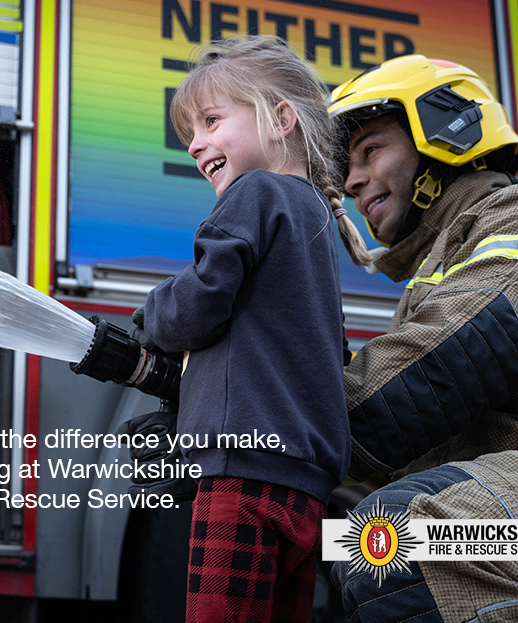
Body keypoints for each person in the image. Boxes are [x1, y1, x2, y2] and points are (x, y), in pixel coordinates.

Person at [328, 54, 518, 621]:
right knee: (338, 544)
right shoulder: (435, 275)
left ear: (445, 132)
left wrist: (270, 427)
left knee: (409, 543)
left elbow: (464, 352)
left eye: (370, 150)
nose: (352, 181)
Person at [134, 36, 371, 623]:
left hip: (242, 473)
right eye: (191, 131)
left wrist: (148, 319)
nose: (195, 144)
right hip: (305, 488)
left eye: (212, 120)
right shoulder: (313, 213)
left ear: (281, 119)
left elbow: (202, 298)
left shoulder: (257, 192)